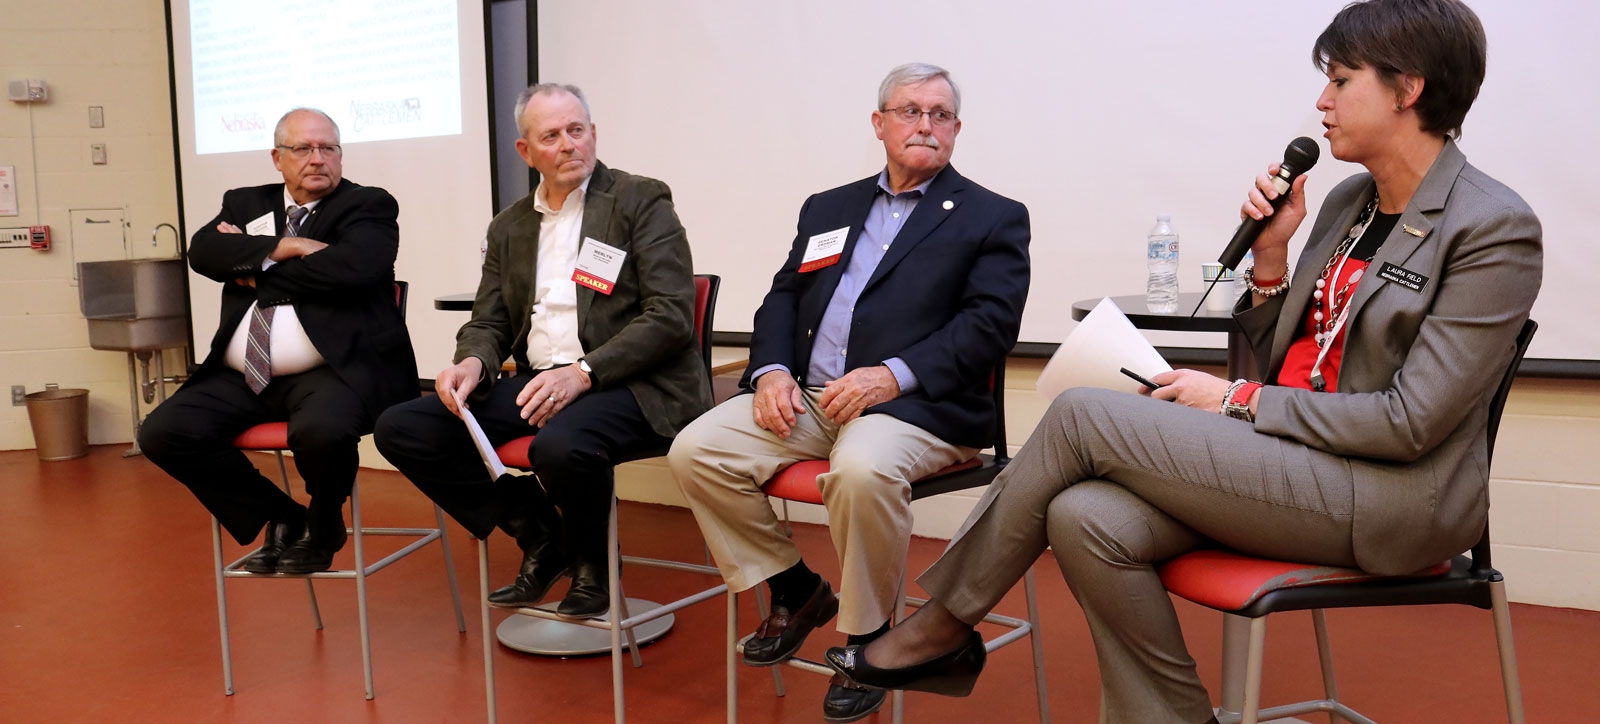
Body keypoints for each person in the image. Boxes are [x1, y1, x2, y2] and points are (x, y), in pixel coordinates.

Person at [825, 0, 1544, 724]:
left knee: (1081, 416)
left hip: (1390, 495)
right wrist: (1271, 259)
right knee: (1083, 515)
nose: (1321, 103)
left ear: (1408, 89)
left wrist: (1234, 401)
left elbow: (1409, 422)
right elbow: (1282, 361)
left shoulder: (1491, 226)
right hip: (1293, 458)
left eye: (1340, 80)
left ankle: (944, 625)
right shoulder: (1348, 202)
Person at [669, 63, 1031, 723]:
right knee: (696, 449)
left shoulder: (992, 216)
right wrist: (772, 370)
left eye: (941, 114)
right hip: (812, 397)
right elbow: (783, 295)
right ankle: (795, 587)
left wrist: (892, 373)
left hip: (915, 407)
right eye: (910, 110)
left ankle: (869, 641)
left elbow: (989, 327)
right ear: (879, 123)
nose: (926, 124)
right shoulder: (828, 207)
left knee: (859, 470)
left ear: (956, 129)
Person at [374, 83, 711, 619]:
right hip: (542, 383)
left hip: (634, 384)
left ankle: (593, 568)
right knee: (404, 428)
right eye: (551, 136)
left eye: (577, 131)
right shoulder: (508, 228)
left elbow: (670, 315)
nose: (569, 145)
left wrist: (583, 372)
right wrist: (473, 362)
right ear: (526, 152)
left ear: (593, 134)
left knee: (557, 445)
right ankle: (541, 535)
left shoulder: (639, 200)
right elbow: (490, 320)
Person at [140, 108, 418, 574]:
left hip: (333, 370)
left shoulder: (367, 205)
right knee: (163, 433)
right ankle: (285, 517)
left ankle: (325, 521)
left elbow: (356, 268)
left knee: (322, 431)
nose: (317, 159)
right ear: (277, 158)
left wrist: (252, 267)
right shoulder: (246, 203)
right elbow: (205, 252)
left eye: (328, 148)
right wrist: (284, 248)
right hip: (242, 374)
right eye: (303, 148)